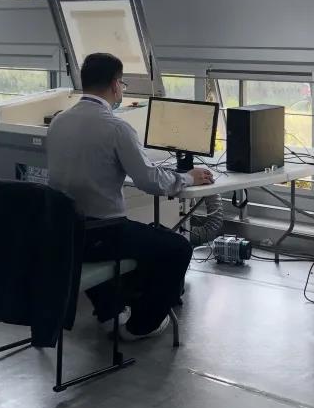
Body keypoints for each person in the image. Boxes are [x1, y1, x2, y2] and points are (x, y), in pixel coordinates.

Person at [47, 52, 214, 341]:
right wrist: (188, 177)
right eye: (122, 84)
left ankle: (110, 311)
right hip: (102, 233)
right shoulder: (116, 128)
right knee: (177, 248)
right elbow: (149, 180)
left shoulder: (59, 122)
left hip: (63, 231)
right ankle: (141, 326)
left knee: (149, 236)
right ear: (115, 85)